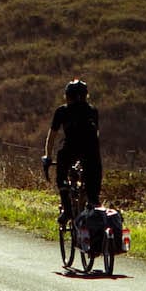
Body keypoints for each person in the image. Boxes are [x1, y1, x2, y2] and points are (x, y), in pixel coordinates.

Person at [41, 79, 102, 214]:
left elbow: (52, 136)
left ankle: (66, 206)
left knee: (61, 175)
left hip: (71, 148)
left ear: (67, 96)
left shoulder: (62, 111)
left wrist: (48, 156)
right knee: (94, 174)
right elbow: (96, 134)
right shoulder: (92, 111)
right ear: (86, 96)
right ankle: (93, 199)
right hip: (91, 149)